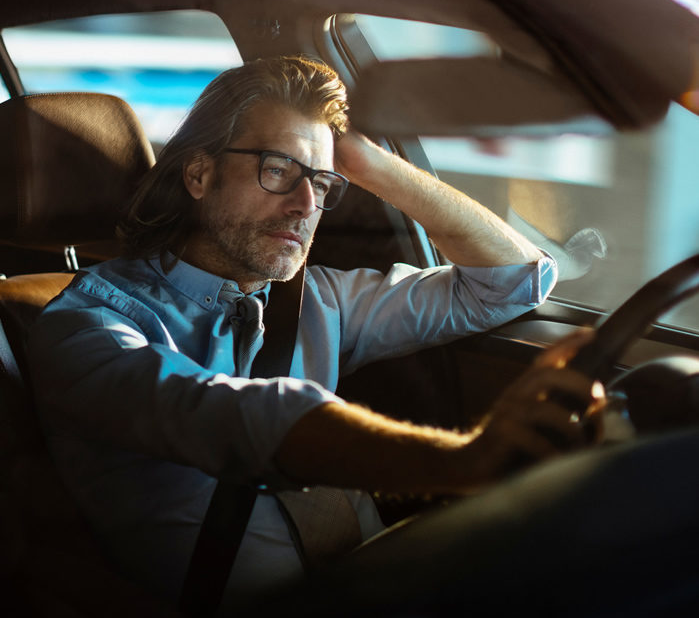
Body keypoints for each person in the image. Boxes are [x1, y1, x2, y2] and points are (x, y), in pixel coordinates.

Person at [27, 56, 602, 608]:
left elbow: (508, 282)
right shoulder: (89, 324)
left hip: (392, 583)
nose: (306, 204)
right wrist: (460, 462)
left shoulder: (319, 298)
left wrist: (367, 164)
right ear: (199, 174)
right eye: (278, 169)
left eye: (322, 184)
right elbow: (232, 415)